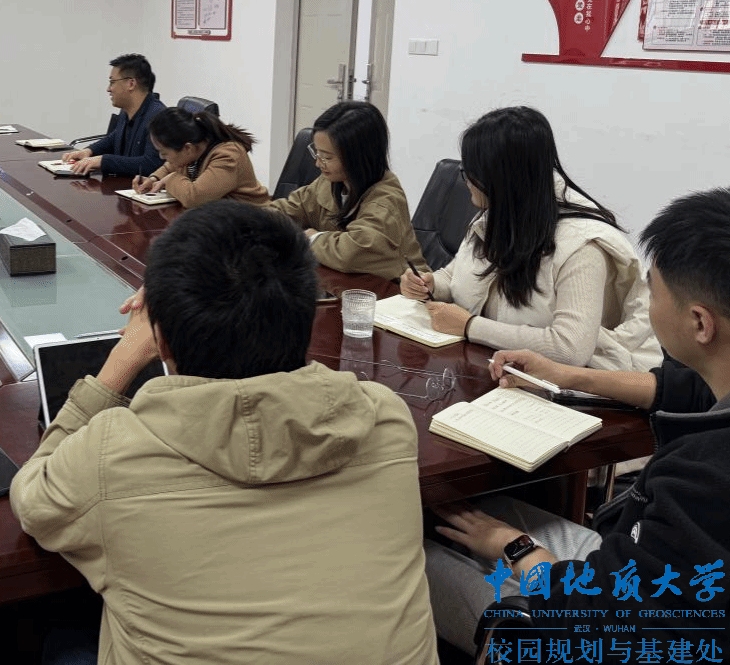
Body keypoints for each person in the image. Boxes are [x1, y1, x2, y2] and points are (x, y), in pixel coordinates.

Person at [10, 201, 438, 665]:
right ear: (308, 315)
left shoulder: (111, 453)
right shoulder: (385, 418)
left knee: (59, 641)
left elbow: (33, 500)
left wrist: (125, 356)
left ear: (162, 343)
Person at [424, 186, 730, 654]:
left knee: (412, 557)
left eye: (654, 290)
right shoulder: (717, 397)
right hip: (640, 569)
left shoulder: (702, 477)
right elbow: (684, 390)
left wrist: (516, 548)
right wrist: (566, 376)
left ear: (700, 324)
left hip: (597, 625)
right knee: (475, 510)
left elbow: (597, 613)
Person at [400, 106, 660, 370]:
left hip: (569, 384)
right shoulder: (497, 215)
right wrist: (432, 284)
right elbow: (457, 275)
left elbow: (571, 349)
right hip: (493, 365)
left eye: (472, 172)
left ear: (503, 180)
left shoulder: (582, 246)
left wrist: (470, 326)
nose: (466, 180)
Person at [268, 100, 427, 280]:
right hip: (345, 282)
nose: (318, 163)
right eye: (317, 152)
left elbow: (351, 254)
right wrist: (257, 219)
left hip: (396, 289)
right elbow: (291, 208)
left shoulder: (386, 201)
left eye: (327, 157)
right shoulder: (331, 182)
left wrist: (311, 238)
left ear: (358, 157)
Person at [133, 107, 269, 207]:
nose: (162, 157)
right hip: (223, 221)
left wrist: (170, 179)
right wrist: (154, 179)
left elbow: (194, 198)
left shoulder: (228, 156)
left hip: (254, 224)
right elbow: (171, 165)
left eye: (164, 153)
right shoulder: (195, 149)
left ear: (187, 148)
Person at [62, 53, 165, 177]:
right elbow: (114, 138)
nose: (108, 89)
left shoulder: (158, 117)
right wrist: (89, 151)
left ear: (131, 84)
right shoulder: (126, 110)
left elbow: (151, 164)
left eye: (112, 82)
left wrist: (103, 161)